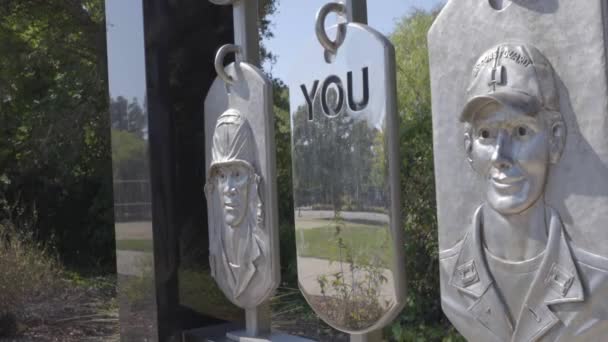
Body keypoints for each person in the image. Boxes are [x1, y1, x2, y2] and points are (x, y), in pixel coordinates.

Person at [439, 43, 608, 341]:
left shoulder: (598, 284)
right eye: (486, 134)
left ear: (555, 138)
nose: (500, 156)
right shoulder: (448, 275)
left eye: (520, 131)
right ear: (468, 147)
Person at [205, 109, 272, 309]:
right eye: (222, 176)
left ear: (253, 180)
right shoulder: (215, 251)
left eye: (237, 174)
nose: (229, 189)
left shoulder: (261, 251)